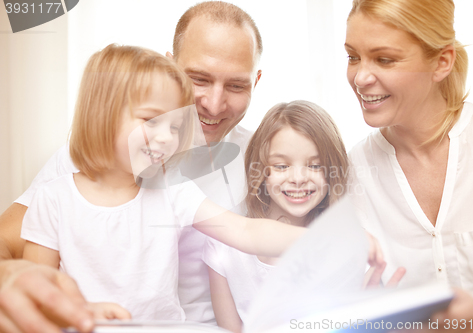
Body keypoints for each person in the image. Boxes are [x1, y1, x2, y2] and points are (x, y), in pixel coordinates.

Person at [0, 2, 262, 332]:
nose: (213, 103)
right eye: (199, 79)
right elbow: (7, 243)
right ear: (171, 67)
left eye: (236, 85)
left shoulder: (268, 159)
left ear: (257, 80)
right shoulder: (104, 155)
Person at [21, 43, 306, 321]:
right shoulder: (52, 200)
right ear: (102, 115)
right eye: (151, 120)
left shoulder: (172, 191)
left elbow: (245, 232)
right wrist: (81, 313)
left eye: (174, 126)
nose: (167, 137)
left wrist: (323, 239)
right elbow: (38, 294)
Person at [345, 0, 473, 329]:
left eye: (384, 59)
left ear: (442, 62)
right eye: (352, 56)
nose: (360, 77)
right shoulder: (350, 172)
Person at [202, 100, 350, 332]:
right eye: (282, 166)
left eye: (315, 166)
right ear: (261, 171)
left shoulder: (345, 246)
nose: (298, 178)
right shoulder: (223, 247)